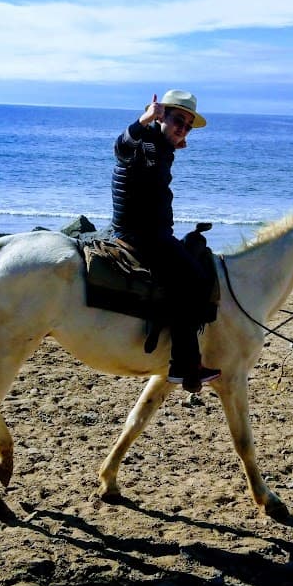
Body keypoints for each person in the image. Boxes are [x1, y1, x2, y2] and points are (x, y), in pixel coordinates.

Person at [110, 90, 220, 392]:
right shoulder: (146, 141)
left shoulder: (160, 145)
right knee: (195, 280)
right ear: (161, 116)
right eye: (178, 121)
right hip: (141, 234)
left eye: (187, 126)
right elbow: (121, 147)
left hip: (148, 230)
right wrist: (144, 120)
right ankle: (183, 365)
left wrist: (170, 140)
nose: (182, 129)